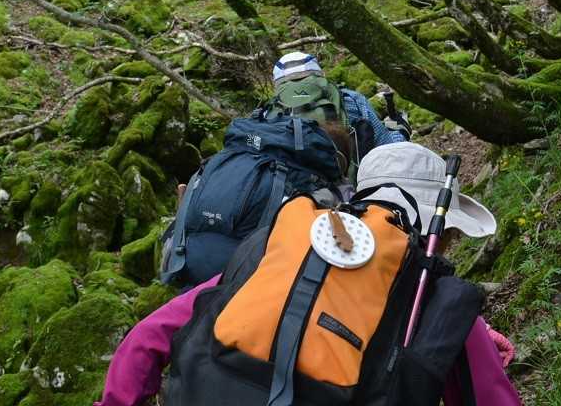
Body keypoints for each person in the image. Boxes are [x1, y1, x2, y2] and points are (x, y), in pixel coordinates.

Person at [96, 142, 522, 406]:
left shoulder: (279, 248)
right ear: (439, 231)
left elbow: (148, 337)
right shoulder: (437, 297)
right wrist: (467, 340)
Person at [261, 51, 411, 151]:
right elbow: (386, 148)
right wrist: (401, 131)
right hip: (350, 187)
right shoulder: (351, 100)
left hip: (287, 188)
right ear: (321, 75)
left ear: (278, 84)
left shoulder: (266, 113)